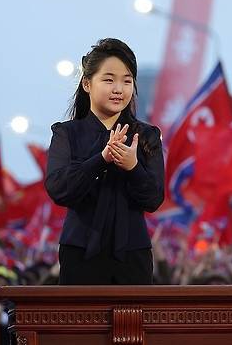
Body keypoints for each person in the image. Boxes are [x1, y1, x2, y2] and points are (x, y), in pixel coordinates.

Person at [45, 38, 164, 285]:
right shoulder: (67, 133)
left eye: (127, 81)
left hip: (133, 254)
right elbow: (58, 188)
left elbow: (154, 198)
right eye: (108, 80)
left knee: (131, 323)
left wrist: (132, 167)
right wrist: (101, 159)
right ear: (87, 83)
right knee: (81, 323)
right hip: (80, 251)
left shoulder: (147, 135)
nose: (118, 89)